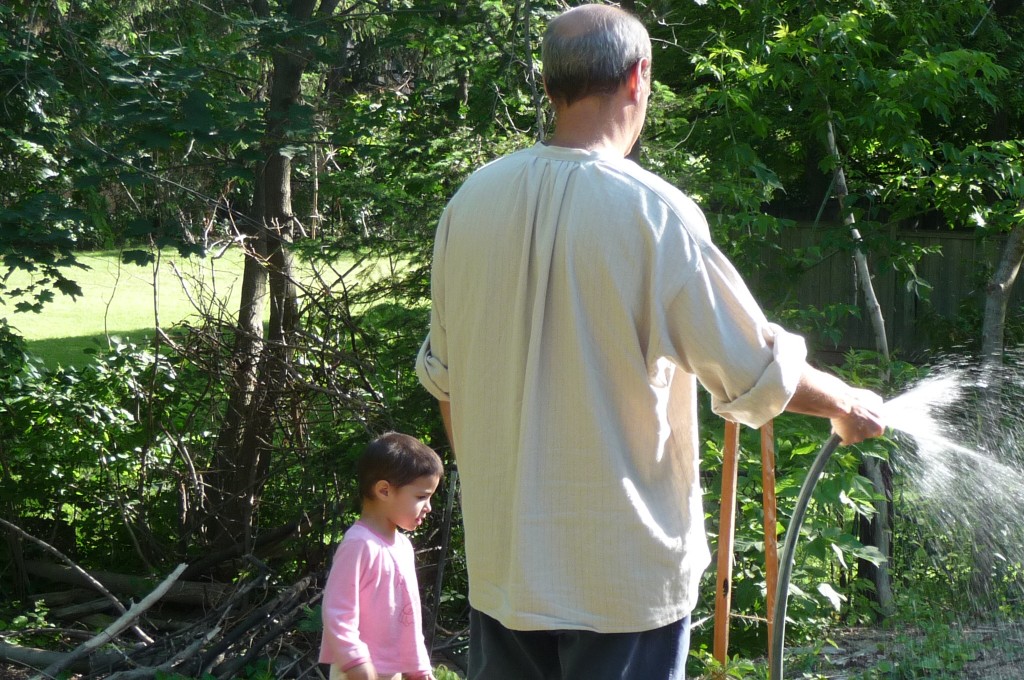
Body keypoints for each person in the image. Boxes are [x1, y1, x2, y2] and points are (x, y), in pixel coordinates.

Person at [415, 4, 886, 679]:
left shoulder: (471, 203)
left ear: (549, 87)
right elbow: (752, 369)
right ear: (639, 79)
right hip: (622, 585)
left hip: (507, 572)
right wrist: (843, 400)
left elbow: (448, 385)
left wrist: (507, 498)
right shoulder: (653, 212)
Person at [320, 432, 443, 680]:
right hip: (358, 672)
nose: (429, 507)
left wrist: (419, 669)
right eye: (421, 497)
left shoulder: (403, 547)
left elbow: (409, 618)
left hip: (393, 672)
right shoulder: (359, 544)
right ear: (384, 490)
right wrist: (356, 664)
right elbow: (337, 612)